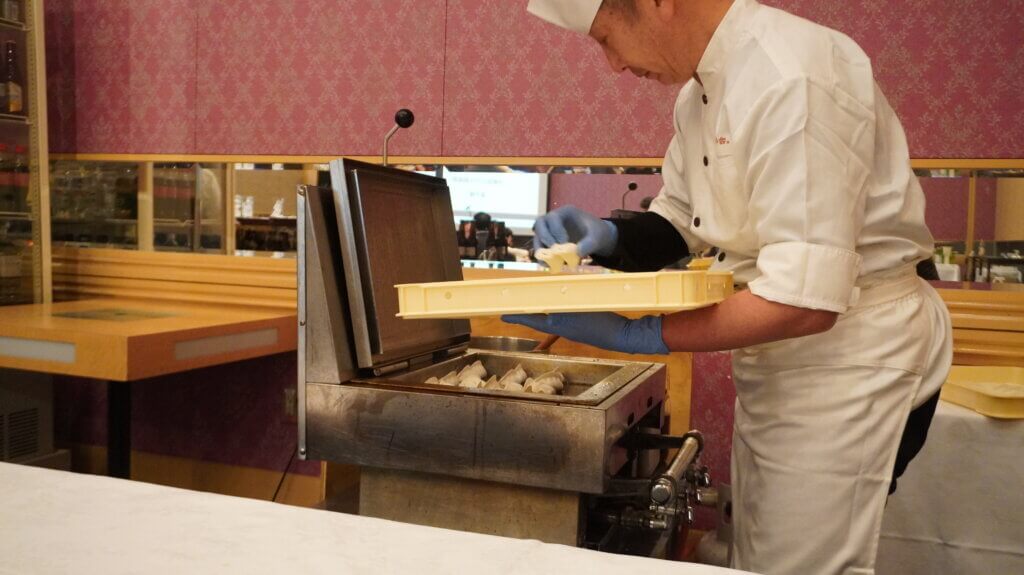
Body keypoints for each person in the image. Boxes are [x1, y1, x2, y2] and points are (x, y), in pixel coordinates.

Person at [510, 2, 952, 574]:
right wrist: (611, 237)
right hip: (785, 353)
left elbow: (805, 301)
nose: (613, 65)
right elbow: (682, 223)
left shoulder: (791, 75)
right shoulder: (698, 92)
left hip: (854, 350)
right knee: (756, 549)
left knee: (797, 565)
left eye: (606, 38)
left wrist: (644, 335)